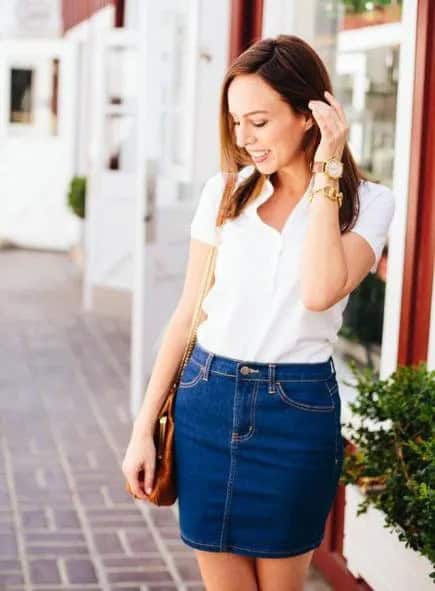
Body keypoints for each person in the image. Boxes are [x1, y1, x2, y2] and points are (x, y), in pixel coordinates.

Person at [122, 34, 395, 591]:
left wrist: (326, 171)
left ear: (309, 115)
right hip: (207, 400)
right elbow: (185, 316)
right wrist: (143, 428)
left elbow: (320, 291)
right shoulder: (223, 193)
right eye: (236, 121)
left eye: (260, 121)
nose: (244, 139)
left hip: (295, 413)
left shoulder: (370, 203)